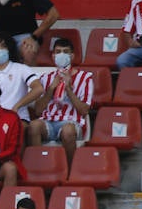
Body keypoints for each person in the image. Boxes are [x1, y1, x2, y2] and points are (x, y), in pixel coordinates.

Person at [27, 36, 93, 170]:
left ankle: (70, 171)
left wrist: (68, 89)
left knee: (67, 131)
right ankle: (39, 169)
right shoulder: (45, 78)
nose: (61, 54)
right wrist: (51, 88)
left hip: (72, 122)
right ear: (53, 56)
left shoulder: (85, 78)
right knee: (33, 126)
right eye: (58, 52)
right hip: (48, 121)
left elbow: (84, 110)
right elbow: (38, 110)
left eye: (65, 51)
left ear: (72, 56)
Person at [0, 33, 42, 120]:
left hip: (18, 118)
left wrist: (17, 106)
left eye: (3, 47)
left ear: (9, 49)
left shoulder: (22, 69)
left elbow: (38, 89)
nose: (0, 50)